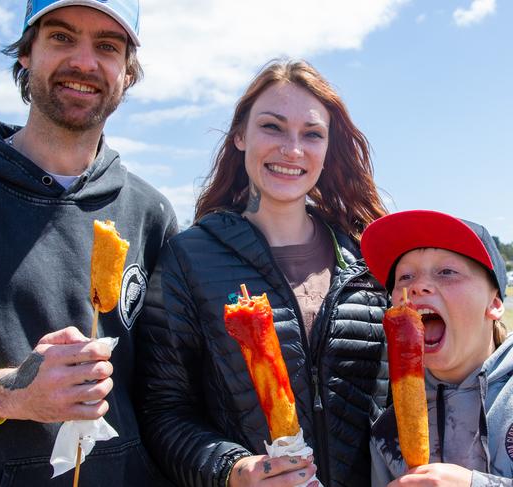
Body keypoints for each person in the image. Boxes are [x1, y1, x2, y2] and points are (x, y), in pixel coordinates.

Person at [0, 1, 177, 485]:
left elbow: (167, 397)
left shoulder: (151, 215)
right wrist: (8, 393)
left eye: (108, 46)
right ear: (26, 53)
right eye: (61, 37)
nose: (84, 62)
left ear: (127, 73)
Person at [136, 59, 390, 487]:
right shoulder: (189, 257)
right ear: (239, 136)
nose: (293, 149)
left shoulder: (369, 258)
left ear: (329, 149)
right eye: (272, 127)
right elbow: (162, 409)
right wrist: (230, 470)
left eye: (312, 134)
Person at [361, 210, 513, 486]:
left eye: (446, 272)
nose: (418, 287)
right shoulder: (387, 433)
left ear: (495, 303)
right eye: (404, 277)